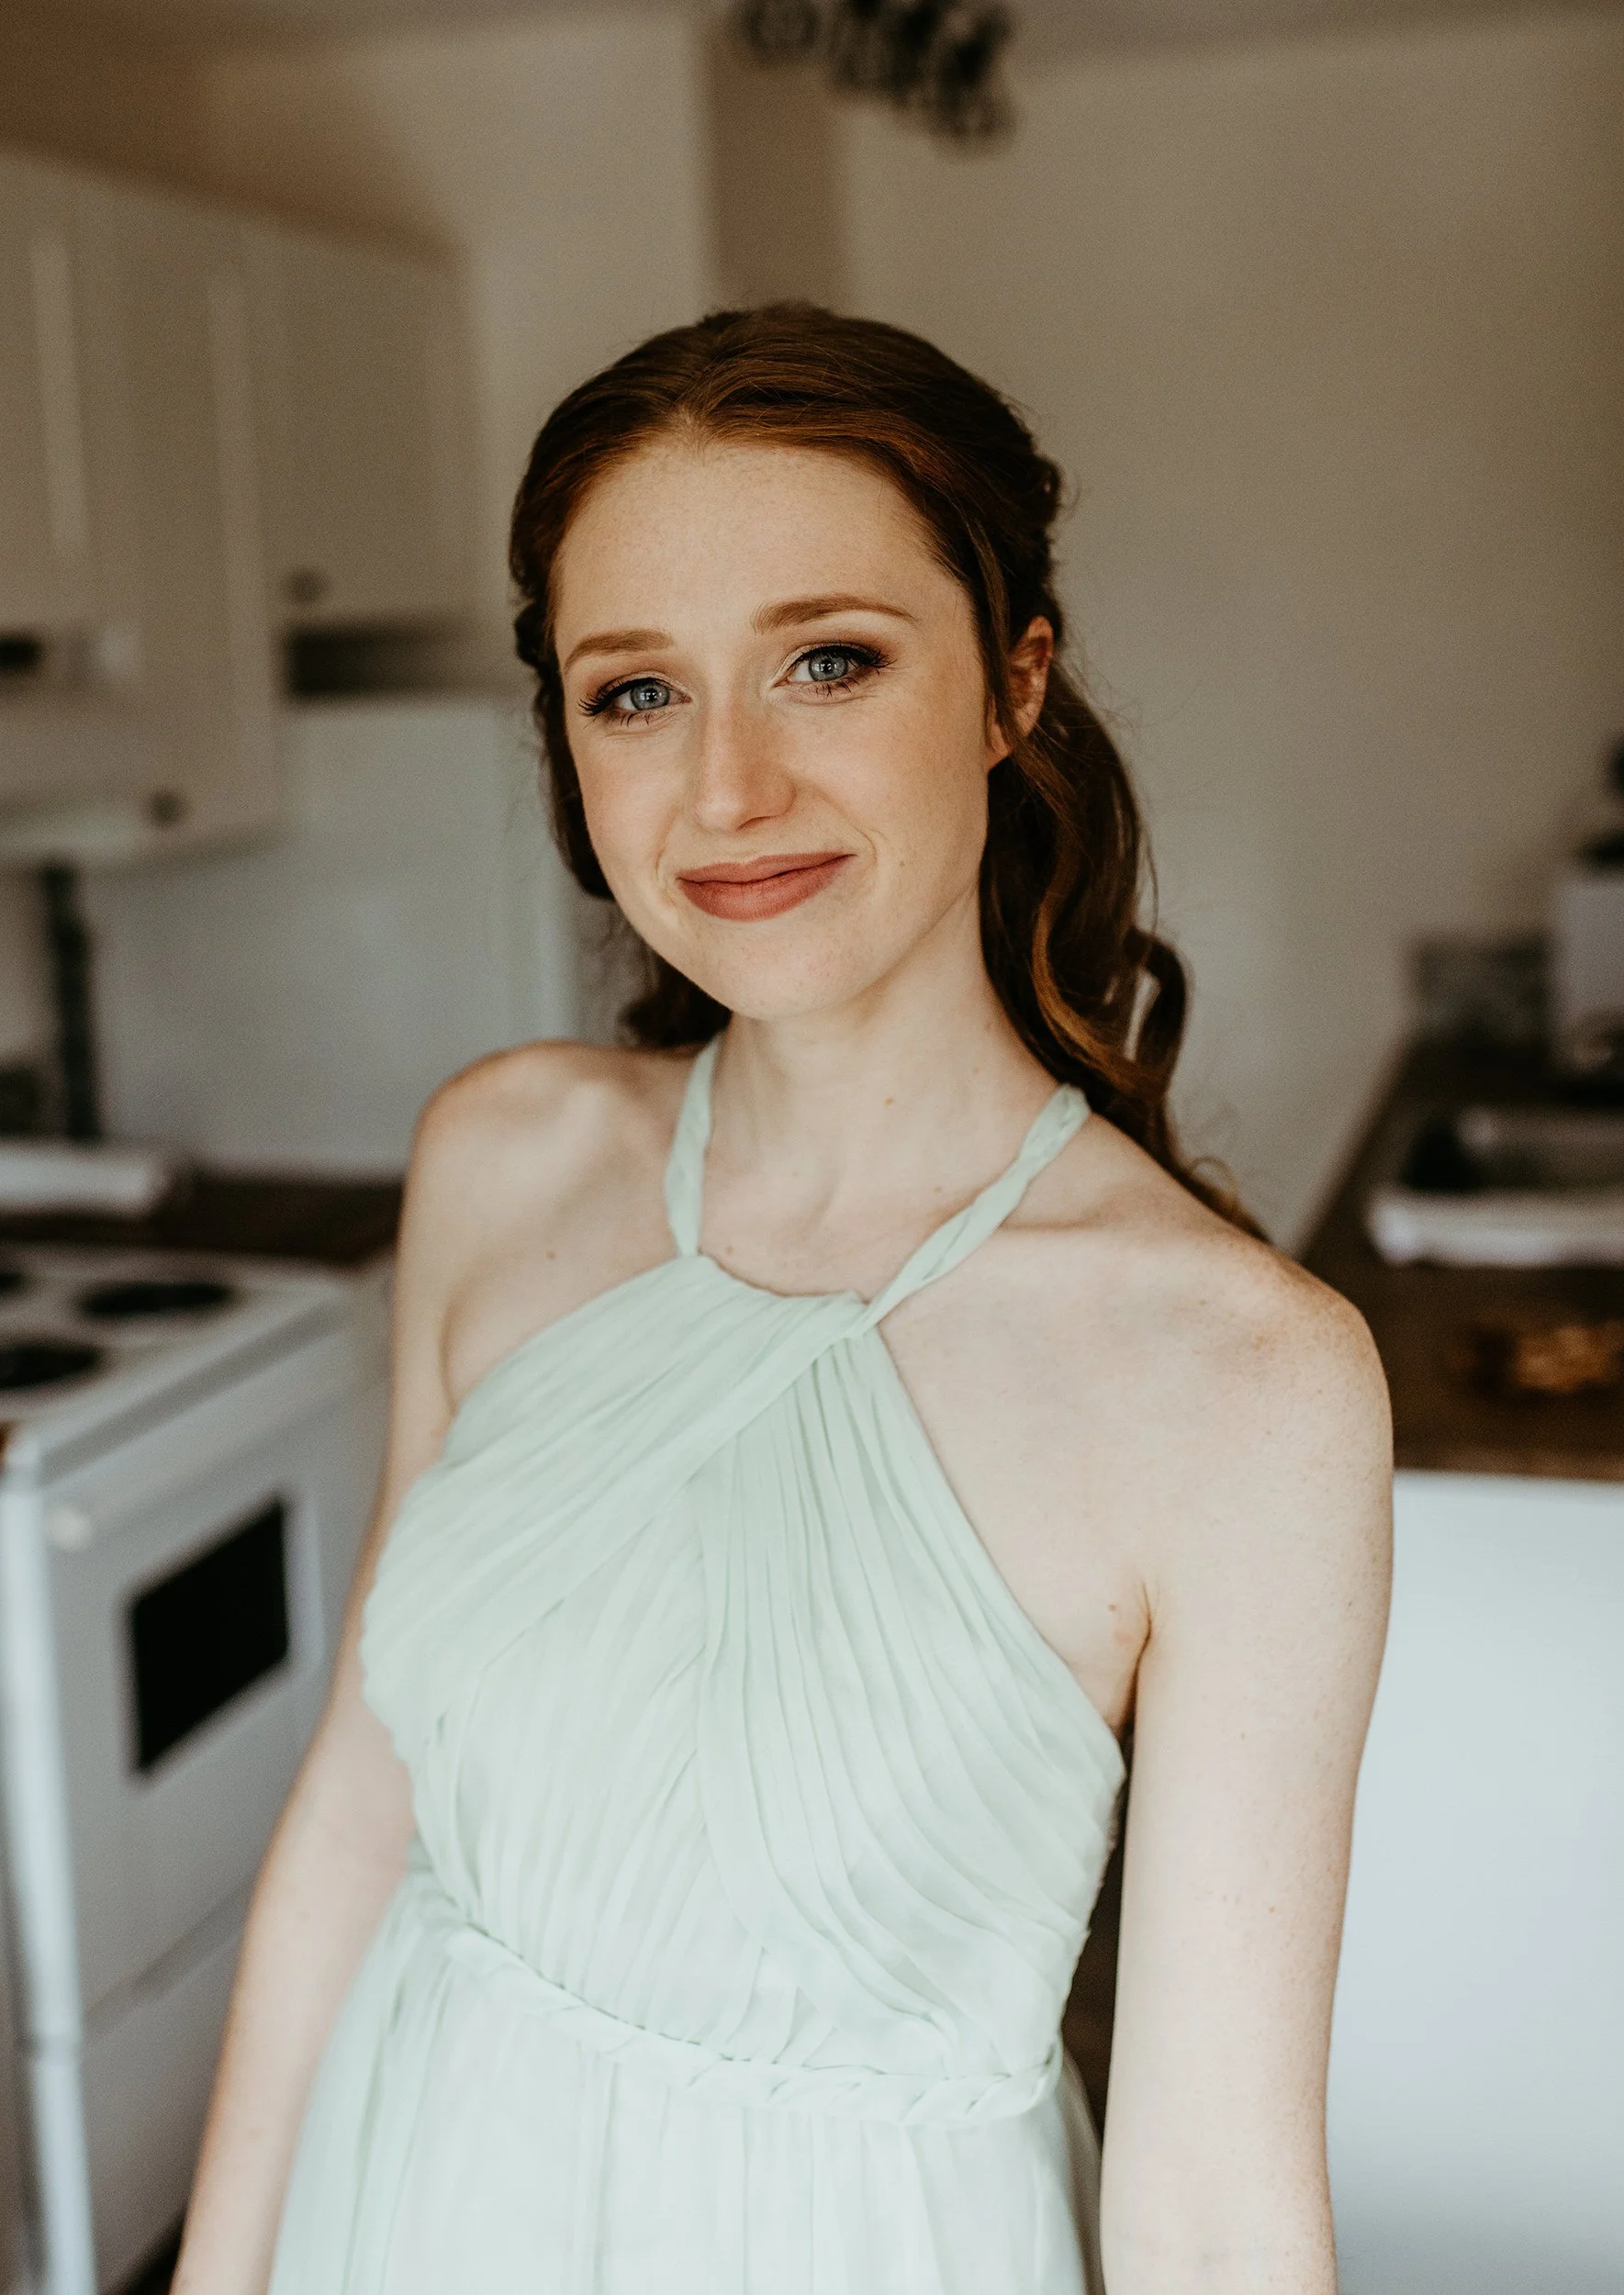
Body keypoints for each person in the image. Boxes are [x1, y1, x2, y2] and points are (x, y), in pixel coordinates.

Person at [174, 305, 1391, 2295]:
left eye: (828, 661)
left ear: (1012, 683)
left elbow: (1217, 2219)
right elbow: (356, 1818)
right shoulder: (504, 1161)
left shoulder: (1244, 1379)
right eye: (636, 692)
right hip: (403, 2202)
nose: (726, 788)